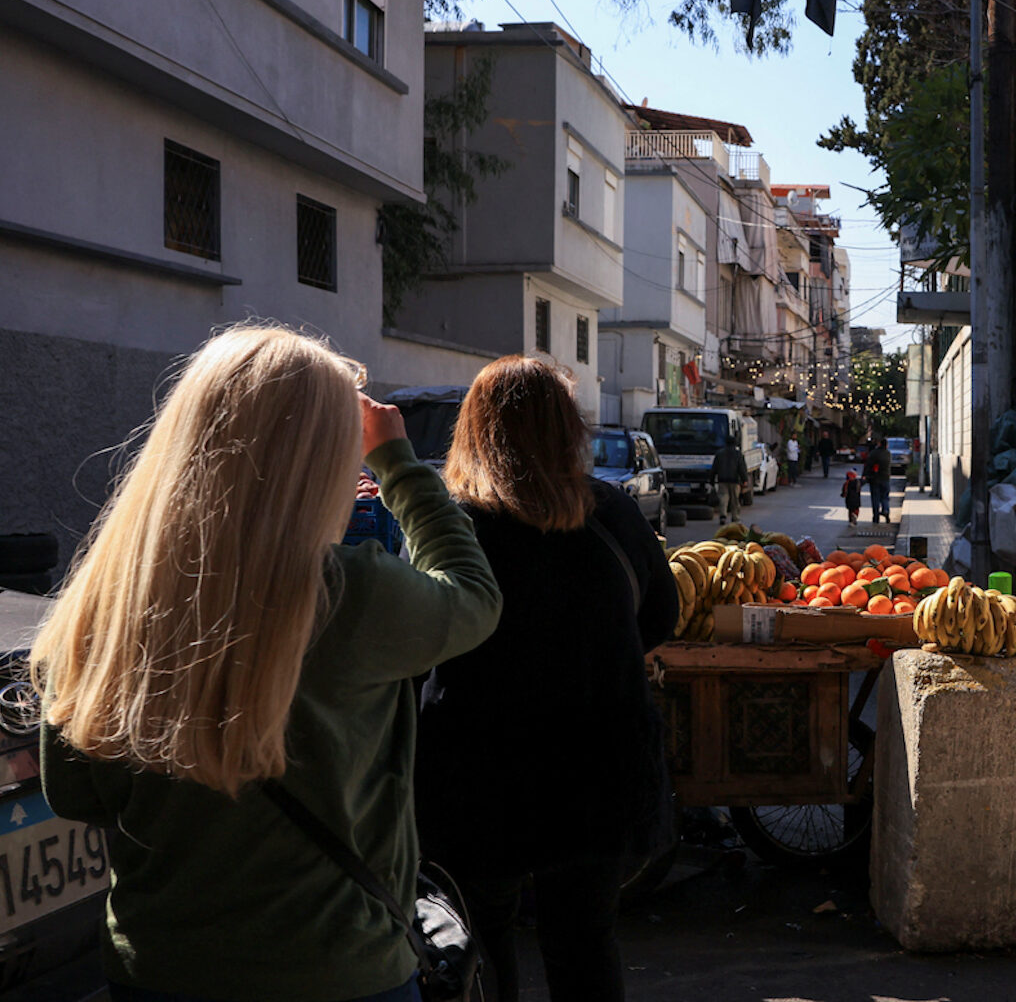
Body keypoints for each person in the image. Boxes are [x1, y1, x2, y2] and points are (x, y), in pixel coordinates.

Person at [33, 326, 502, 1002]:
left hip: (159, 968)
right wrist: (397, 462)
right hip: (340, 972)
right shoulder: (351, 595)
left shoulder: (108, 602)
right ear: (316, 465)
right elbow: (474, 594)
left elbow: (76, 794)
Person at [416, 355, 677, 1002]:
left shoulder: (453, 526)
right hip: (598, 771)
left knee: (480, 939)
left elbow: (418, 638)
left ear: (471, 430)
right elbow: (662, 617)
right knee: (584, 941)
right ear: (569, 428)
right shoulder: (611, 511)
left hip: (479, 778)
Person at [711, 434, 749, 524]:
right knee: (735, 500)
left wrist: (711, 480)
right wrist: (745, 479)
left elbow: (714, 468)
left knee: (723, 498)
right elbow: (741, 468)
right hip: (735, 480)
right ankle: (735, 517)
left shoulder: (719, 453)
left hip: (722, 480)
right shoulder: (738, 454)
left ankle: (723, 516)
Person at [864, 436, 893, 523]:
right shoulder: (888, 454)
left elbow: (868, 465)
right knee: (885, 497)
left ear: (879, 444)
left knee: (875, 498)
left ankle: (876, 516)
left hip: (874, 479)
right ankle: (886, 510)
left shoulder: (873, 453)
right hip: (885, 478)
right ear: (886, 445)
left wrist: (865, 476)